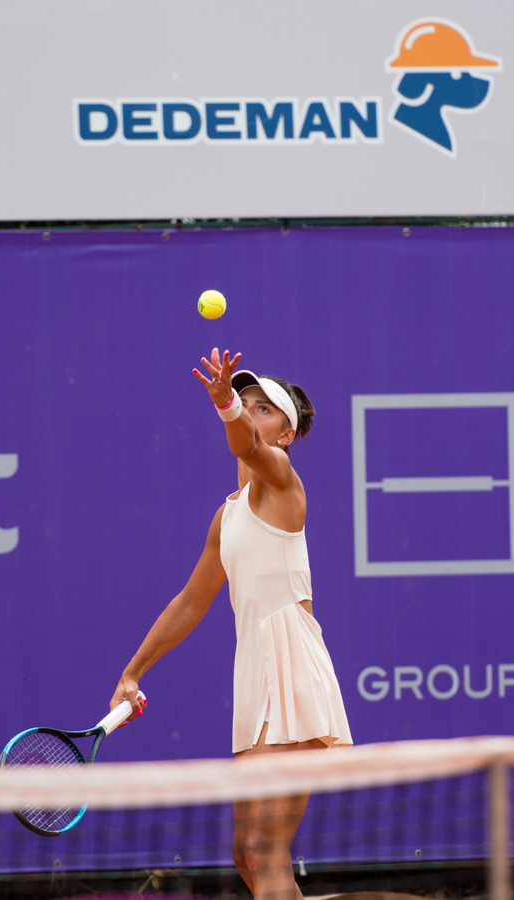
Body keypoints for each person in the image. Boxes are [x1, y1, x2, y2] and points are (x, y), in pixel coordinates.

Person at [110, 347, 352, 900]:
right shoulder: (229, 516)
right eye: (246, 402)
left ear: (286, 434)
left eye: (263, 408)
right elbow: (190, 603)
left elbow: (246, 445)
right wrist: (133, 671)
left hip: (292, 673)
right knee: (246, 852)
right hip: (255, 674)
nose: (249, 411)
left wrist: (225, 404)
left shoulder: (284, 480)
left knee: (265, 850)